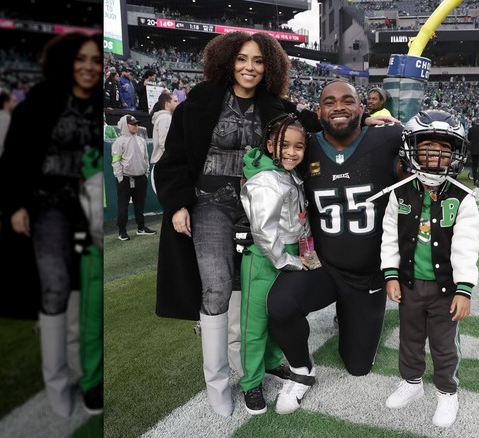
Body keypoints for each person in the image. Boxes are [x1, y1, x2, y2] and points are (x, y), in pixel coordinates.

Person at [154, 31, 307, 418]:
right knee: (218, 288)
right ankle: (218, 381)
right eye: (241, 59)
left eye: (257, 61)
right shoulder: (198, 104)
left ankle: (260, 364)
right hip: (209, 205)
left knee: (261, 290)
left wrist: (372, 119)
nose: (249, 68)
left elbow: (312, 137)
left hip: (260, 210)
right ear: (227, 61)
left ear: (268, 65)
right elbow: (171, 161)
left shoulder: (280, 108)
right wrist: (176, 205)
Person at [265, 80, 404, 415]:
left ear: (362, 108)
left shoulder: (388, 137)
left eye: (348, 101)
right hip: (323, 265)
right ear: (319, 111)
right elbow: (265, 148)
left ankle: (350, 312)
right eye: (330, 102)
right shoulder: (305, 146)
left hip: (369, 275)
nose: (338, 107)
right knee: (280, 304)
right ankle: (301, 370)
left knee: (358, 366)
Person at [0, 31, 104, 417]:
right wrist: (16, 205)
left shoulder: (99, 104)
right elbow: (10, 162)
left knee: (88, 295)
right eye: (81, 59)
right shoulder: (40, 101)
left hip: (92, 206)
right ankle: (56, 382)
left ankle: (89, 372)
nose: (89, 67)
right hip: (49, 206)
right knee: (56, 288)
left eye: (95, 60)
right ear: (66, 61)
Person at [380, 109, 479, 429]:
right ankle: (411, 383)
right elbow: (390, 239)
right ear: (412, 149)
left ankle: (447, 392)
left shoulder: (463, 198)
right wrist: (391, 274)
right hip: (409, 284)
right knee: (409, 337)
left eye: (443, 148)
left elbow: (466, 248)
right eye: (426, 147)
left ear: (455, 153)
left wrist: (464, 289)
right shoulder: (399, 193)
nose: (434, 155)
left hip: (445, 288)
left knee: (444, 342)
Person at [238, 113, 311, 415]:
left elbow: (299, 219)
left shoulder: (288, 174)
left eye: (299, 146)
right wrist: (290, 260)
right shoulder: (267, 179)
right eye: (285, 145)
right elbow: (265, 234)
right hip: (265, 258)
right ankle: (251, 383)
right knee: (255, 324)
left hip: (289, 252)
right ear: (270, 145)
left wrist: (304, 252)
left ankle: (270, 363)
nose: (293, 152)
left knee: (277, 317)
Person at [111, 114, 155, 240]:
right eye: (133, 124)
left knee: (139, 205)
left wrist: (145, 173)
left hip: (141, 178)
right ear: (125, 125)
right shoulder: (118, 142)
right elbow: (116, 161)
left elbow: (146, 158)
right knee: (123, 206)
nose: (136, 126)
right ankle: (122, 231)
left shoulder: (141, 140)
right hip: (125, 178)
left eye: (137, 123)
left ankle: (141, 228)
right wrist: (120, 177)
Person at [149, 92, 178, 166]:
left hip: (163, 162)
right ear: (167, 103)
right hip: (164, 162)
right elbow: (164, 142)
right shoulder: (165, 117)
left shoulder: (166, 117)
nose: (177, 103)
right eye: (175, 101)